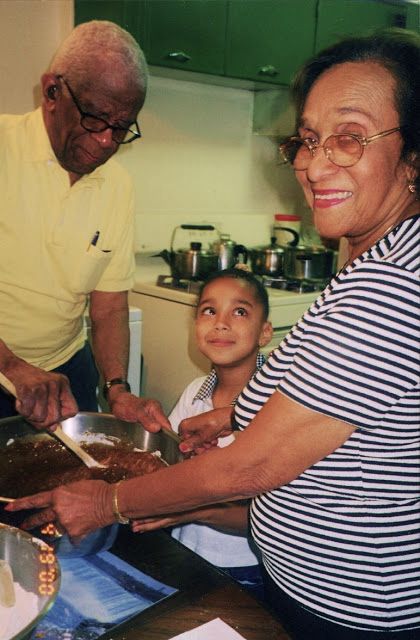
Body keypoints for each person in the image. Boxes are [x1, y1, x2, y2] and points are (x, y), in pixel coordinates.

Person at [8, 28, 420, 639]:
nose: (312, 162)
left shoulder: (388, 287)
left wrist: (107, 502)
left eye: (350, 136)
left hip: (347, 611)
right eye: (307, 139)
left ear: (413, 153)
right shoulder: (383, 258)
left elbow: (248, 471)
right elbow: (341, 405)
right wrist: (230, 419)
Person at [0, 21, 169, 432]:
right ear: (52, 92)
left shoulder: (118, 186)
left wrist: (118, 389)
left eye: (123, 126)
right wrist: (14, 368)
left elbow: (109, 306)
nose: (108, 141)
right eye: (96, 118)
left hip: (66, 371)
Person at [132, 268, 273, 600]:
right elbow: (171, 463)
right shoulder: (195, 392)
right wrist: (162, 436)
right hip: (187, 551)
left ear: (265, 332)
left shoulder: (277, 404)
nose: (221, 322)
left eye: (239, 312)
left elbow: (270, 504)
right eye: (209, 311)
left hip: (246, 566)